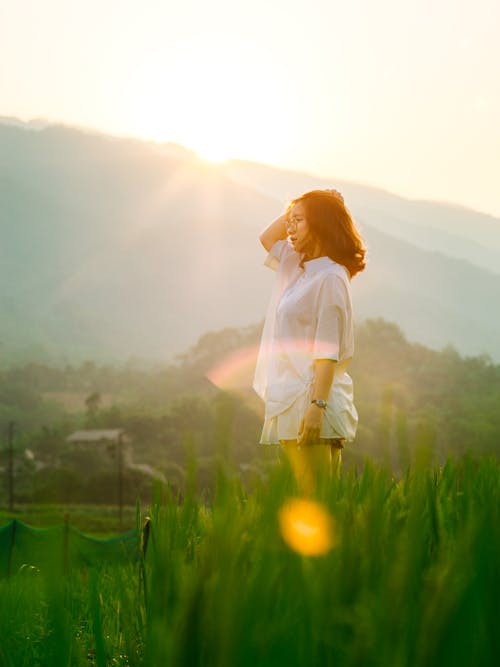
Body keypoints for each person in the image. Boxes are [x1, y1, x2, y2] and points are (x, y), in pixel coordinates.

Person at [252, 189, 366, 492]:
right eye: (290, 221)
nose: (289, 228)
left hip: (313, 400)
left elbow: (327, 350)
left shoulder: (329, 276)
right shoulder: (299, 266)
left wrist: (317, 407)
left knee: (320, 501)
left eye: (298, 221)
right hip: (291, 397)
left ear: (320, 225)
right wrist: (301, 204)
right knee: (299, 501)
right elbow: (266, 237)